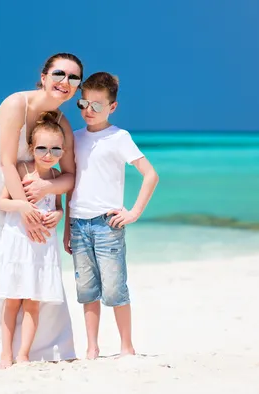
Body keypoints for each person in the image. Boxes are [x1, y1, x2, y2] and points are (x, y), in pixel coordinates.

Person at [0, 53, 83, 364]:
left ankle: (40, 349)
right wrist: (24, 209)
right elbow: (5, 162)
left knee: (33, 262)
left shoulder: (62, 125)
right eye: (59, 74)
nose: (64, 83)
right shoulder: (17, 103)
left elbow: (69, 175)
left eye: (73, 78)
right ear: (43, 76)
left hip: (30, 190)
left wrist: (47, 190)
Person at [66, 72, 159, 360]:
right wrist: (67, 228)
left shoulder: (120, 137)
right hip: (78, 224)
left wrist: (133, 213)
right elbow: (70, 180)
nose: (88, 111)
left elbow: (150, 175)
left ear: (112, 107)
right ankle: (92, 348)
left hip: (108, 225)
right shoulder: (74, 137)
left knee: (115, 288)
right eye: (83, 104)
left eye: (97, 105)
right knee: (86, 290)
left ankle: (126, 347)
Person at [0, 111, 69, 368]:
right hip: (18, 242)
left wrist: (58, 215)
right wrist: (22, 206)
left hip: (42, 245)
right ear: (31, 147)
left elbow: (58, 205)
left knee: (32, 303)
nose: (48, 155)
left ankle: (24, 354)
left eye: (55, 150)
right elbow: (2, 202)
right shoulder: (22, 169)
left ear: (62, 151)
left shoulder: (55, 177)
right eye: (41, 148)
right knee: (12, 301)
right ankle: (6, 354)